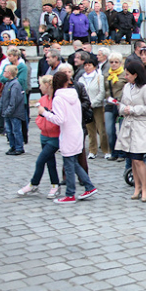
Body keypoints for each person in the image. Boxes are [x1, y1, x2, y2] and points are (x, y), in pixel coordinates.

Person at [38, 72, 98, 203]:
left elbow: (60, 119)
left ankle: (70, 194)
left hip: (68, 133)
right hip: (77, 130)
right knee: (73, 162)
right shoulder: (74, 94)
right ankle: (89, 186)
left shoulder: (58, 98)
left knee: (69, 164)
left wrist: (45, 113)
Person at [115, 61, 146, 202]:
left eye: (128, 74)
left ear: (135, 75)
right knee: (132, 159)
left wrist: (133, 110)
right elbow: (121, 103)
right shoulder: (127, 87)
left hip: (141, 126)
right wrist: (122, 109)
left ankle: (145, 187)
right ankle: (136, 187)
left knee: (139, 159)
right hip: (128, 125)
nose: (125, 77)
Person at [18, 75, 61, 198]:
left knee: (40, 160)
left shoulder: (57, 99)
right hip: (44, 135)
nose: (39, 87)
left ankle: (34, 183)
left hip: (55, 136)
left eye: (41, 84)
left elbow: (58, 117)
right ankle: (55, 185)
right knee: (50, 161)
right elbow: (38, 116)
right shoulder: (42, 99)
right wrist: (41, 124)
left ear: (47, 85)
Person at [78, 58, 108, 159]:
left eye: (89, 65)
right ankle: (92, 150)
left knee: (101, 129)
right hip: (87, 108)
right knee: (90, 130)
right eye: (85, 65)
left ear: (94, 66)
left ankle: (106, 150)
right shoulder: (81, 78)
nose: (87, 67)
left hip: (98, 106)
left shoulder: (99, 77)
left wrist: (93, 102)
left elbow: (102, 92)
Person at [0, 65, 25, 155]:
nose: (3, 73)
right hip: (8, 113)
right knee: (9, 131)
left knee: (16, 131)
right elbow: (3, 98)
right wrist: (0, 109)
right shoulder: (8, 83)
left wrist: (8, 111)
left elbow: (14, 101)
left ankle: (19, 147)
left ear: (9, 73)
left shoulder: (15, 85)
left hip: (14, 113)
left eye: (5, 71)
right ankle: (13, 146)